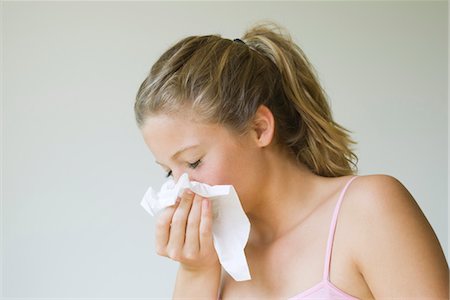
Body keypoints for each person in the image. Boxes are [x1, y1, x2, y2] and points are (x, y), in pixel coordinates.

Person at [134, 22, 449, 299]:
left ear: (260, 128)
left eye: (193, 162)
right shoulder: (217, 259)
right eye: (169, 174)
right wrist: (196, 272)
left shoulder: (368, 209)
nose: (182, 189)